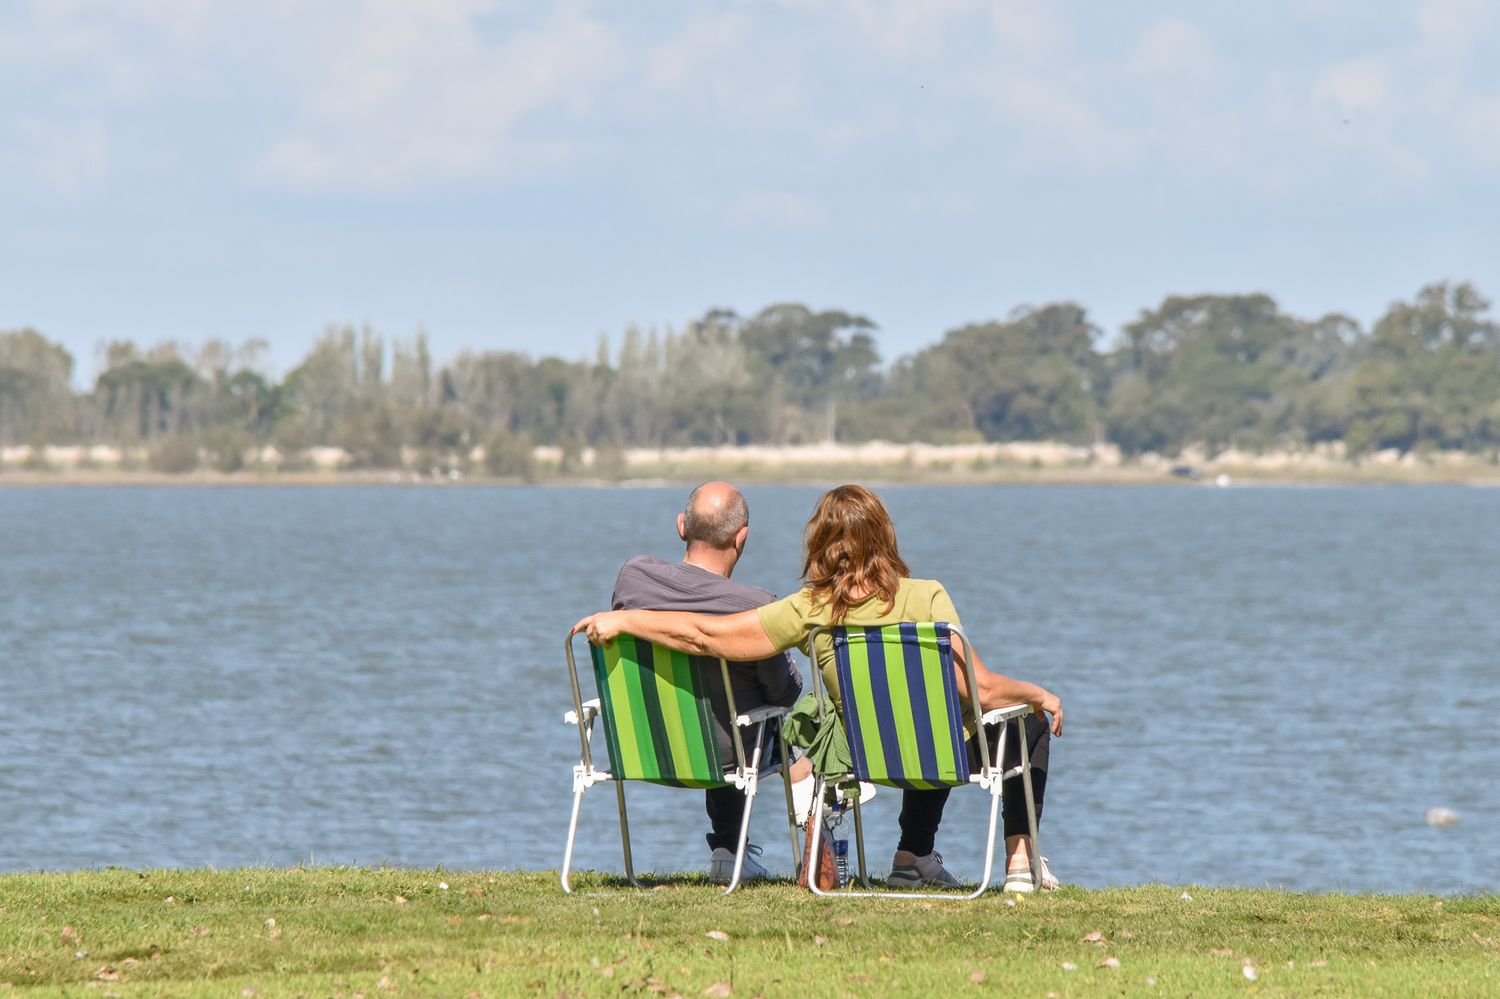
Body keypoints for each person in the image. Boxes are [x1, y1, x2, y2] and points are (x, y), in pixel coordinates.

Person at [576, 483, 1063, 891]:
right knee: (1002, 721)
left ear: (820, 543)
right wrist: (1038, 695)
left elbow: (708, 637)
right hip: (936, 753)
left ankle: (914, 859)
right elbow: (980, 688)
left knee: (924, 716)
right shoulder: (927, 596)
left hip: (859, 754)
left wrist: (631, 620)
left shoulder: (811, 607)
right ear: (886, 537)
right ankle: (1014, 865)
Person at [609, 481, 808, 884]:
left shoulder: (633, 580)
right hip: (726, 752)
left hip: (642, 746)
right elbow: (784, 693)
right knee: (747, 716)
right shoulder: (752, 606)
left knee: (727, 708)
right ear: (742, 538)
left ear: (682, 526)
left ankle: (728, 850)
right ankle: (807, 861)